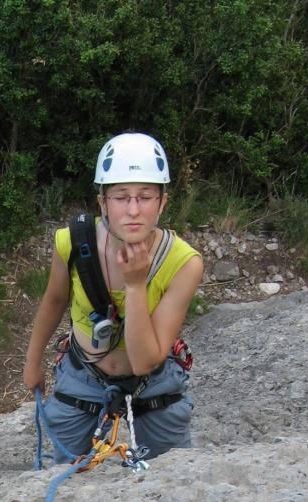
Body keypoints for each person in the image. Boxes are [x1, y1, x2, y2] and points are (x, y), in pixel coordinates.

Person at [22, 132, 204, 462]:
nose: (133, 209)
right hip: (83, 377)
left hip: (154, 384)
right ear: (102, 202)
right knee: (62, 473)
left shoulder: (183, 263)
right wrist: (32, 362)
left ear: (163, 202)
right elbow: (54, 300)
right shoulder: (74, 243)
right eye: (121, 197)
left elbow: (145, 361)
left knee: (172, 474)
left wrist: (135, 286)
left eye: (145, 196)